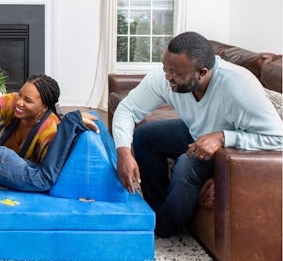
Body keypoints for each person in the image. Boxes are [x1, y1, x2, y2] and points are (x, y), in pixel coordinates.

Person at [112, 31, 283, 237]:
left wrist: (223, 137)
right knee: (145, 136)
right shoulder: (164, 77)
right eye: (166, 68)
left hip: (235, 142)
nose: (168, 77)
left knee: (188, 163)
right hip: (199, 132)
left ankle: (164, 228)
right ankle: (155, 211)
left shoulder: (239, 86)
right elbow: (127, 109)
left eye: (176, 74)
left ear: (202, 72)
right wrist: (123, 150)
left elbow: (278, 137)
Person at [0, 74, 99, 191]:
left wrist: (69, 125)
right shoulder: (13, 101)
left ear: (44, 107)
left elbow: (49, 169)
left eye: (28, 101)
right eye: (20, 95)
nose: (19, 102)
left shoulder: (49, 128)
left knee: (42, 181)